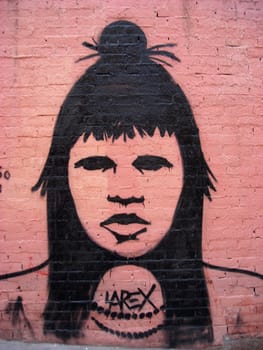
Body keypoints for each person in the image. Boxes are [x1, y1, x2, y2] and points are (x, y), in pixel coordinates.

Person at [32, 20, 216, 347]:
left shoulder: (238, 310)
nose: (124, 193)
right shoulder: (16, 305)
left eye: (152, 163)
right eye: (96, 164)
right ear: (63, 177)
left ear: (190, 176)